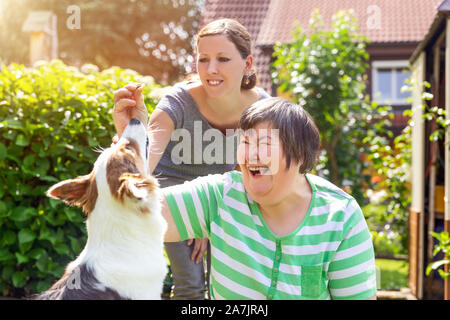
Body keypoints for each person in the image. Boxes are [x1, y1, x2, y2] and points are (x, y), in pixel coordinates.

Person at [113, 18, 271, 299]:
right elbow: (147, 161)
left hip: (223, 193)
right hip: (170, 190)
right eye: (204, 59)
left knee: (232, 285)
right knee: (191, 282)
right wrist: (129, 133)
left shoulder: (261, 107)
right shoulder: (177, 101)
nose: (211, 69)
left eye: (223, 59)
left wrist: (210, 216)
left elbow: (253, 168)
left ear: (247, 65)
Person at [161, 97, 378, 300]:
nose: (251, 155)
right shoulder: (221, 195)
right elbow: (138, 212)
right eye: (245, 142)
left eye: (265, 144)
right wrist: (130, 136)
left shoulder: (341, 217)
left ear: (300, 154)